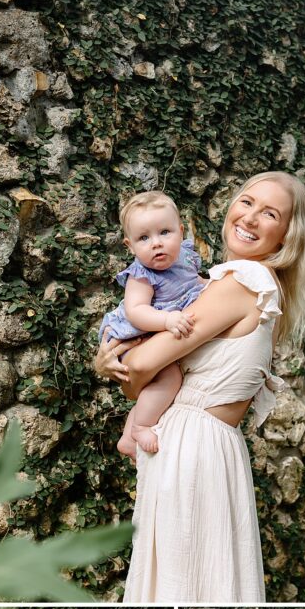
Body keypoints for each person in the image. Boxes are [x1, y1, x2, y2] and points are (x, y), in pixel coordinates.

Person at [96, 171, 305, 605]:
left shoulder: (242, 283)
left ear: (286, 234)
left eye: (269, 213)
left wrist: (111, 362)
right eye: (247, 202)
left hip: (191, 446)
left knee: (182, 576)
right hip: (210, 444)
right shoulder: (247, 286)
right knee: (204, 573)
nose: (250, 217)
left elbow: (140, 365)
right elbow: (141, 379)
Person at [98, 191, 204, 457]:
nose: (156, 243)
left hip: (152, 332)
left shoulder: (186, 257)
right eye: (144, 238)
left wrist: (210, 285)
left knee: (163, 384)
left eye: (165, 232)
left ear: (181, 232)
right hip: (130, 336)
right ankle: (140, 427)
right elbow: (136, 312)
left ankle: (127, 436)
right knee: (169, 377)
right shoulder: (141, 276)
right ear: (130, 246)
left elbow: (194, 283)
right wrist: (167, 319)